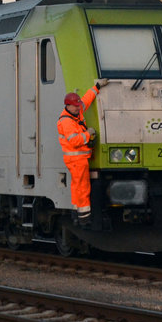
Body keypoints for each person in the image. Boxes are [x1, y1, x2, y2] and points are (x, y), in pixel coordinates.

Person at [59, 80, 104, 226]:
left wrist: (96, 87)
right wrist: (88, 134)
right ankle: (84, 217)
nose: (79, 108)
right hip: (76, 159)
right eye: (76, 106)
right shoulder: (66, 122)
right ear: (68, 106)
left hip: (77, 159)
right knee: (82, 187)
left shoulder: (75, 113)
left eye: (78, 106)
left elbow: (86, 100)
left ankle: (76, 213)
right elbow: (75, 141)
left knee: (77, 186)